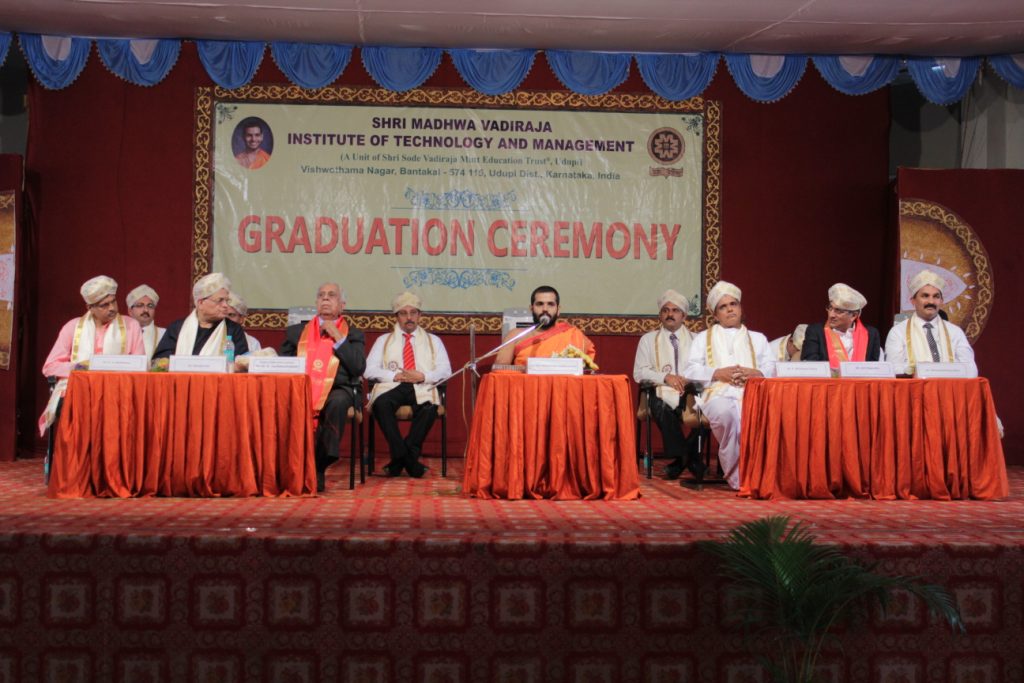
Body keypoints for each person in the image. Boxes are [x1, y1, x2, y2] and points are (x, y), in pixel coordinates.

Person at [683, 281, 774, 490]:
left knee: (763, 415)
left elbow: (771, 367)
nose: (730, 309)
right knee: (727, 414)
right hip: (717, 394)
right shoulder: (702, 338)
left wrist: (755, 373)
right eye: (723, 307)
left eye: (733, 304)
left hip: (752, 392)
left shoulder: (758, 339)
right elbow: (690, 370)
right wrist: (717, 373)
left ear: (740, 308)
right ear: (716, 315)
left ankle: (760, 474)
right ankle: (738, 477)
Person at [279, 283, 366, 492]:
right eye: (321, 295)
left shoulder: (353, 334)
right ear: (316, 303)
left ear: (342, 305)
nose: (325, 299)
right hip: (302, 387)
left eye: (331, 295)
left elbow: (358, 367)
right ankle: (285, 466)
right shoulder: (296, 332)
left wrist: (338, 337)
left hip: (339, 388)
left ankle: (318, 465)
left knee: (337, 402)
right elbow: (282, 365)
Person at [39, 275, 146, 435]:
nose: (112, 308)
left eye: (113, 301)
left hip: (118, 390)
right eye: (104, 305)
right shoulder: (72, 327)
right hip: (80, 390)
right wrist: (79, 367)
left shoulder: (131, 326)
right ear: (90, 307)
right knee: (78, 404)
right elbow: (50, 367)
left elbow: (141, 366)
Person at [364, 292, 452, 478]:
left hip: (421, 385)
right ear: (396, 317)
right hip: (393, 386)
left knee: (429, 407)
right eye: (403, 313)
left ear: (420, 315)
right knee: (381, 404)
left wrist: (423, 376)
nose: (409, 317)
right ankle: (409, 461)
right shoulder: (383, 341)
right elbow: (369, 370)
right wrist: (395, 375)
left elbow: (445, 370)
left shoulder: (434, 341)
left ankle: (399, 460)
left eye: (413, 313)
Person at [633, 289, 702, 479]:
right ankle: (688, 457)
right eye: (665, 310)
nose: (670, 314)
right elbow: (639, 372)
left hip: (690, 391)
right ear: (660, 315)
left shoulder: (698, 340)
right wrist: (666, 377)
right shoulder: (648, 340)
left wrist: (687, 379)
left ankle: (681, 460)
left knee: (711, 406)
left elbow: (705, 369)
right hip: (660, 391)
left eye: (675, 310)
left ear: (684, 316)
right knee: (659, 405)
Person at [884, 269, 977, 376]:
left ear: (941, 301)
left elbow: (971, 370)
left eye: (936, 296)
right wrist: (922, 370)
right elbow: (892, 369)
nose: (931, 301)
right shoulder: (898, 332)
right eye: (925, 296)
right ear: (913, 301)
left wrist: (943, 372)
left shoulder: (955, 332)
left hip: (949, 385)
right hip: (915, 386)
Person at [152, 272, 249, 360]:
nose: (225, 305)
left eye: (227, 300)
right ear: (200, 303)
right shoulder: (177, 328)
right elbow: (160, 362)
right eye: (220, 300)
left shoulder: (233, 330)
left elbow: (241, 364)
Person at [495, 285, 596, 366]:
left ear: (558, 310)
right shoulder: (515, 335)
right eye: (540, 304)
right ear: (531, 309)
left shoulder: (572, 334)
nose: (545, 309)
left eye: (550, 304)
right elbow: (500, 369)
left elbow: (585, 367)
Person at [801, 283, 882, 370]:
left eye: (838, 311)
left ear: (854, 315)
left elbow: (873, 369)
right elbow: (811, 367)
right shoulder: (816, 332)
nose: (831, 315)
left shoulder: (871, 334)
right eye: (830, 308)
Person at [126, 284, 165, 361]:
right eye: (140, 305)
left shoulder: (164, 334)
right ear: (130, 311)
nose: (146, 310)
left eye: (150, 306)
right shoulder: (122, 334)